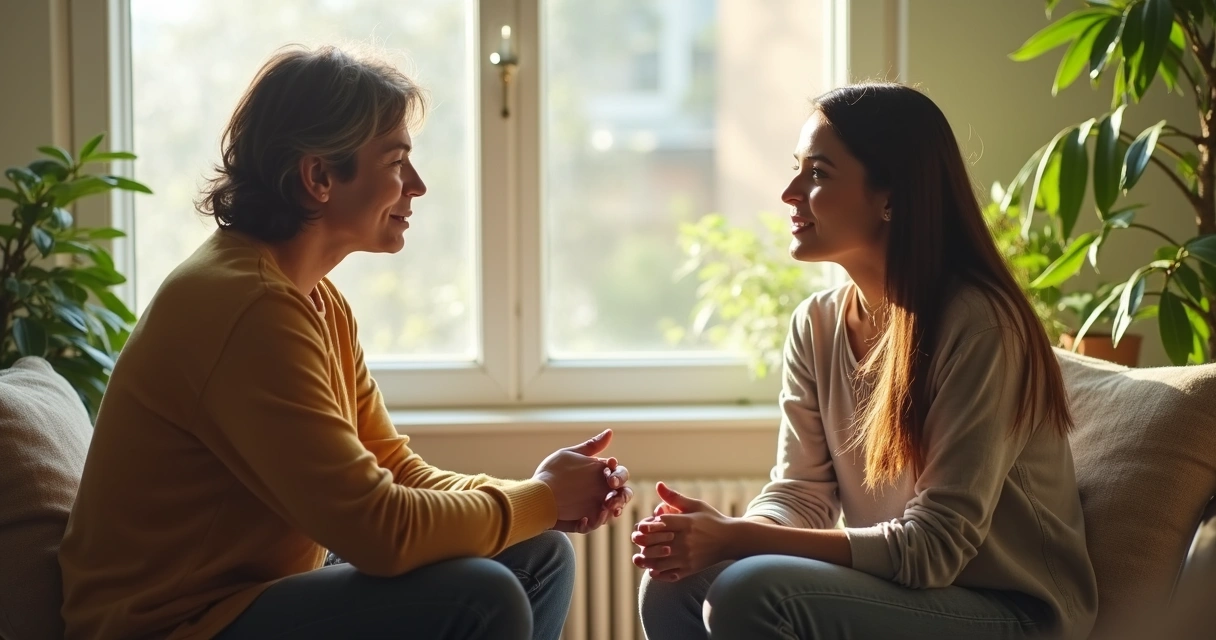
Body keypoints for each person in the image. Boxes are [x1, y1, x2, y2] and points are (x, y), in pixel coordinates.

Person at [59, 45, 633, 640]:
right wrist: (537, 497)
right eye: (396, 162)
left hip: (250, 596)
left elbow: (393, 468)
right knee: (480, 595)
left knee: (536, 556)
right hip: (177, 624)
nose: (418, 185)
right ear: (319, 177)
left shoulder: (312, 299)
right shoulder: (245, 307)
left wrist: (535, 500)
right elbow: (381, 531)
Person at [633, 83, 1099, 639]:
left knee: (747, 591)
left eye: (818, 174)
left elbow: (935, 547)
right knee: (674, 583)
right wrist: (717, 536)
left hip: (1012, 611)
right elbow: (801, 494)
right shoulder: (818, 323)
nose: (789, 192)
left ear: (890, 196)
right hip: (908, 591)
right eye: (796, 170)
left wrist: (738, 537)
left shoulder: (980, 325)